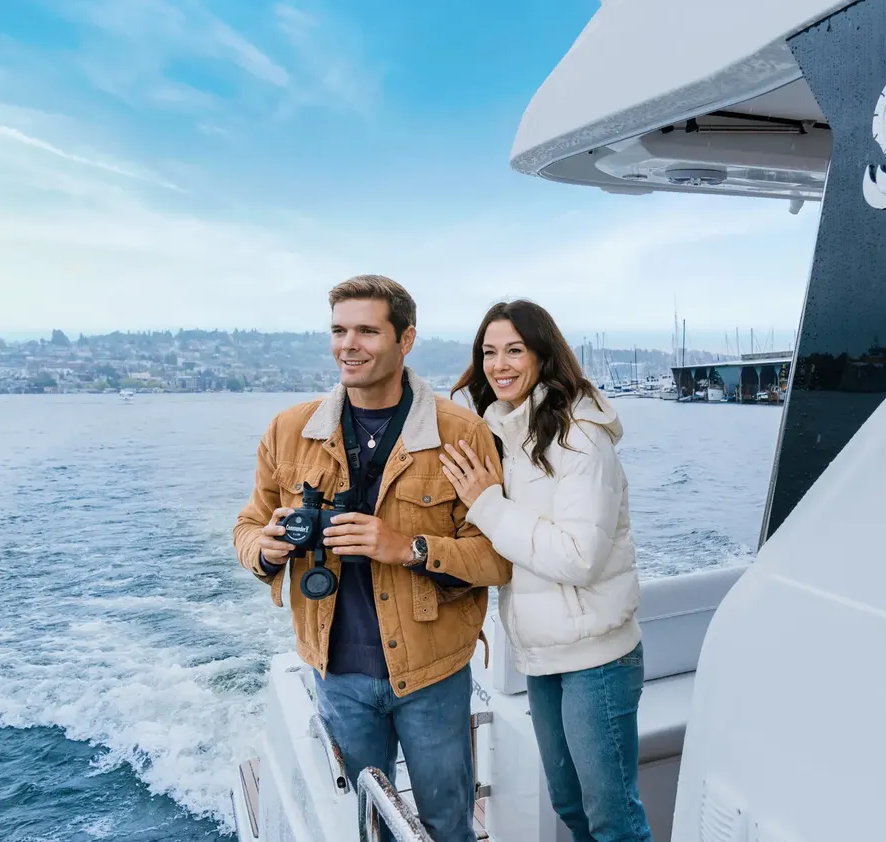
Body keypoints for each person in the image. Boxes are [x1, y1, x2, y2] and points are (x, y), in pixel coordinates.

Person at [232, 275, 511, 842]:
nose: (348, 345)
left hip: (433, 673)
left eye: (366, 331)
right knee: (368, 828)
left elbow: (496, 559)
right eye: (338, 331)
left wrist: (406, 547)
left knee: (447, 827)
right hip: (337, 674)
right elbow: (246, 527)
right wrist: (265, 548)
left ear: (405, 339)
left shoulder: (462, 434)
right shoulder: (288, 432)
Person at [439, 299, 652, 842]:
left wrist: (486, 504)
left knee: (613, 821)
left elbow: (579, 557)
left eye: (514, 350)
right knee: (570, 805)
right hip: (541, 654)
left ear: (542, 354)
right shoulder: (508, 435)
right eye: (489, 352)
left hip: (597, 657)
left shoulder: (581, 435)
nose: (499, 364)